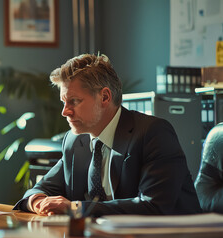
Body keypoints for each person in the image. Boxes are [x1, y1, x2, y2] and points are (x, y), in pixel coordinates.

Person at [13, 53, 202, 216]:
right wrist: (37, 202)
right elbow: (41, 188)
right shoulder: (75, 141)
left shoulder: (153, 133)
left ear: (104, 97)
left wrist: (76, 208)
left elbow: (153, 206)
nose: (65, 112)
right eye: (64, 102)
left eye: (74, 101)